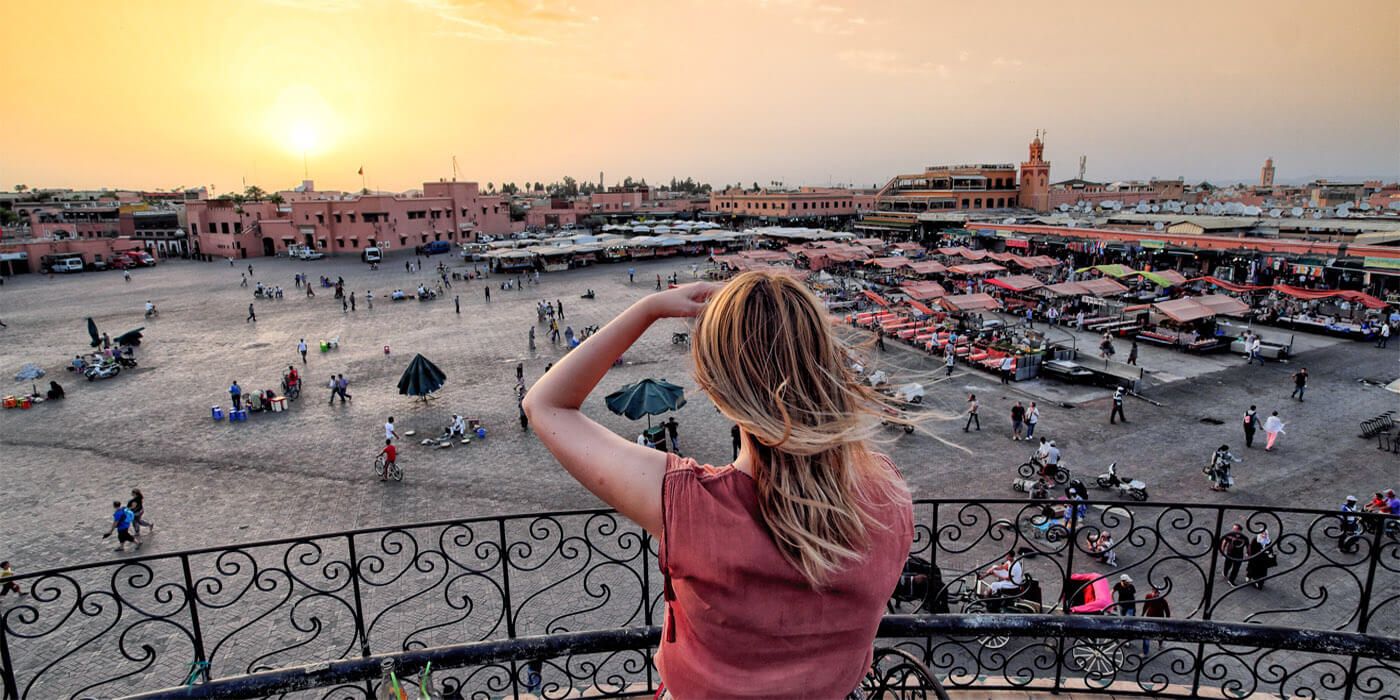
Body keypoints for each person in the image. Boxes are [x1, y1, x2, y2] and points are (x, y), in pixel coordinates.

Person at [521, 272, 913, 699]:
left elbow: (545, 404)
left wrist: (649, 309)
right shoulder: (887, 493)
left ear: (715, 390)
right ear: (826, 363)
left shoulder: (690, 506)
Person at [1141, 586, 1170, 654]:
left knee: (1159, 633)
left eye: (1156, 592)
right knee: (1146, 634)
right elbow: (1145, 605)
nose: (1154, 593)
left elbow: (1167, 610)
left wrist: (1167, 620)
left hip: (1159, 619)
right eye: (1153, 591)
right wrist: (1142, 614)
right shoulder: (1148, 596)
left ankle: (1160, 644)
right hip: (1149, 618)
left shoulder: (1162, 600)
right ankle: (1145, 652)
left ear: (1159, 593)